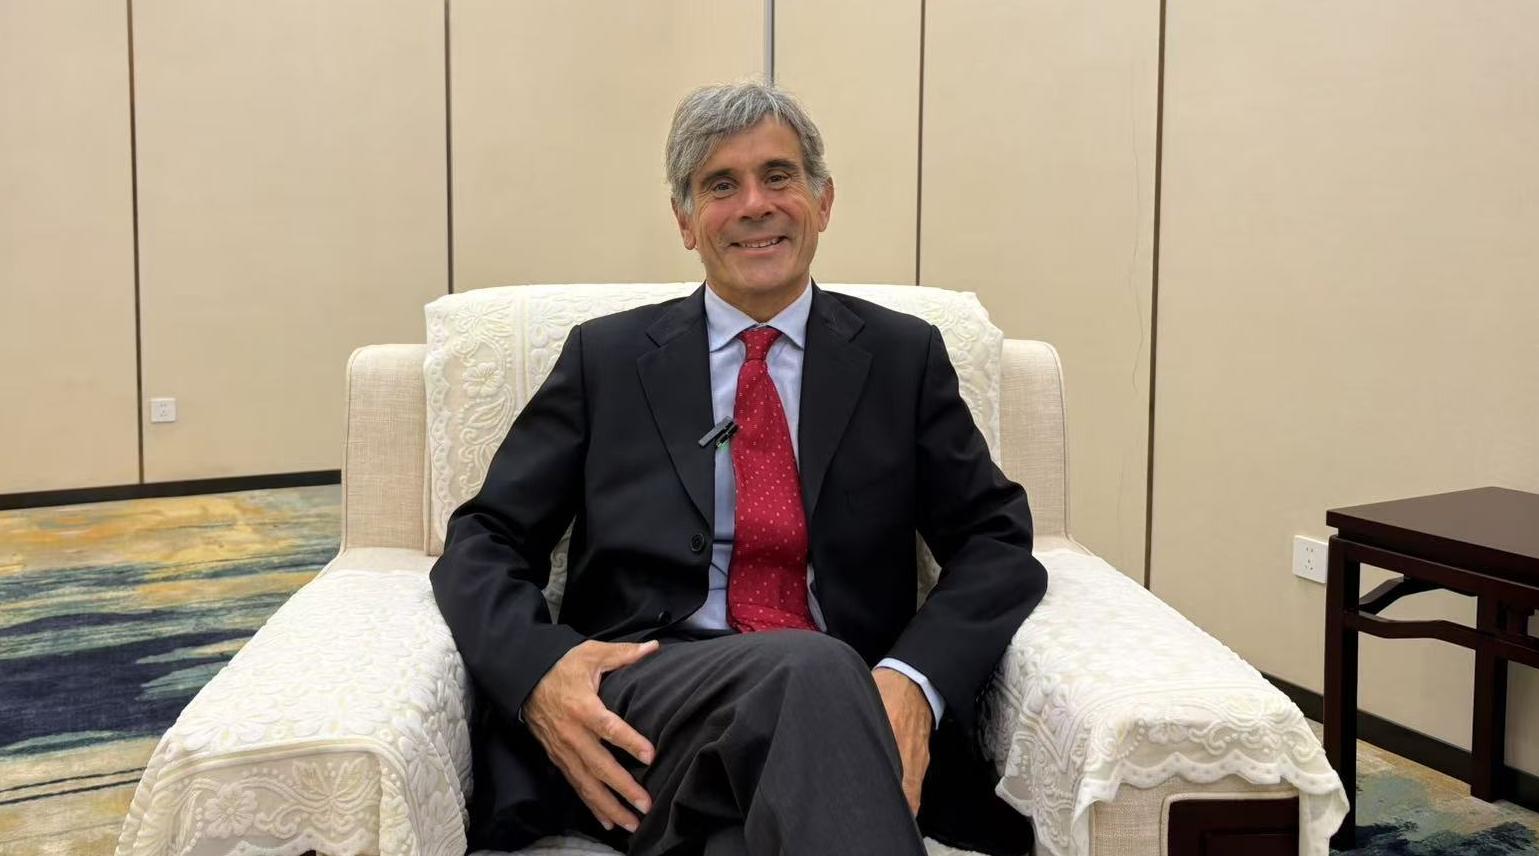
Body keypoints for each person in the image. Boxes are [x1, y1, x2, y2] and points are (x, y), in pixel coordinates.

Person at [430, 81, 1048, 856]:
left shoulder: (901, 358)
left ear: (822, 201)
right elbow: (485, 538)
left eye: (777, 176)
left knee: (763, 794)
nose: (755, 205)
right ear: (685, 221)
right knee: (809, 670)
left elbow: (993, 540)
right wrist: (539, 673)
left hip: (834, 720)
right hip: (650, 699)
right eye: (720, 185)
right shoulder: (607, 359)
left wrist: (912, 679)